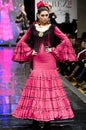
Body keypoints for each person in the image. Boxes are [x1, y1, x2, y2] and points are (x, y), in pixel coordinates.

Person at [12, 0, 77, 128]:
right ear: (38, 16)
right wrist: (30, 52)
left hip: (49, 60)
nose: (44, 17)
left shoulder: (53, 27)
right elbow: (21, 42)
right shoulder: (33, 27)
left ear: (48, 16)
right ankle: (36, 118)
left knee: (48, 88)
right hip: (37, 60)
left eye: (47, 15)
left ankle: (48, 119)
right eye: (42, 15)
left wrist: (54, 50)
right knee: (36, 88)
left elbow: (65, 39)